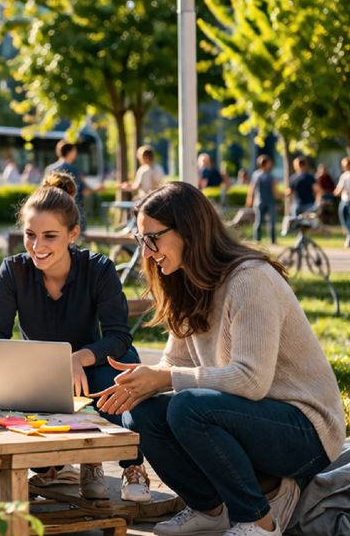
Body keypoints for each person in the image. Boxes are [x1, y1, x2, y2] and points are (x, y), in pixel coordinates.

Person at [92, 182, 344, 536]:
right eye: (141, 240)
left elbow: (250, 380)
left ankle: (258, 520)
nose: (147, 253)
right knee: (142, 410)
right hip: (249, 416)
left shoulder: (251, 279)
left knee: (188, 407)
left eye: (153, 239)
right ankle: (208, 509)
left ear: (188, 231)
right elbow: (173, 363)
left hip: (307, 430)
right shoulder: (185, 283)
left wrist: (165, 379)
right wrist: (143, 378)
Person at [0, 172, 151, 502]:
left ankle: (130, 466)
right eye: (30, 234)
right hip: (41, 376)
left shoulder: (99, 269)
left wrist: (76, 358)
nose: (37, 246)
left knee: (122, 369)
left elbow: (118, 337)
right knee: (7, 394)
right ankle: (74, 463)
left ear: (73, 234)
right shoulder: (13, 270)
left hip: (94, 364)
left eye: (49, 236)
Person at [46, 140, 90, 233]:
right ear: (70, 152)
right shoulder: (74, 170)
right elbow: (85, 190)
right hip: (72, 209)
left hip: (52, 209)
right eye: (74, 151)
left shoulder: (50, 169)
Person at [247, 155, 277, 244]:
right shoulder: (257, 174)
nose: (270, 164)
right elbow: (252, 188)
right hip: (260, 201)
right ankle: (257, 239)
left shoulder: (270, 175)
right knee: (259, 221)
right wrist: (250, 199)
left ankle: (272, 240)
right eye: (269, 163)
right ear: (264, 163)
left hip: (269, 201)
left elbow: (274, 189)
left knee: (271, 222)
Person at [335, 157, 350, 247]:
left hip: (346, 201)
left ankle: (349, 235)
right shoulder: (344, 175)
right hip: (346, 200)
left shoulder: (345, 176)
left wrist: (335, 192)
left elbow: (339, 190)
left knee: (344, 220)